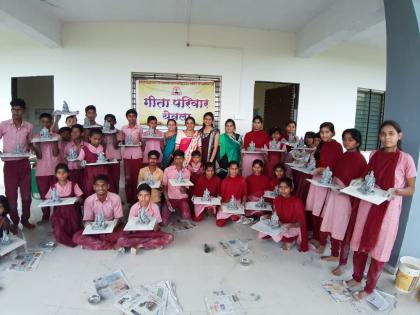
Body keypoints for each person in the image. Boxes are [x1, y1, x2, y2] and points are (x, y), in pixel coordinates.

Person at [347, 121, 416, 300]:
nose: (387, 137)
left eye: (391, 133)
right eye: (383, 133)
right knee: (359, 245)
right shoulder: (374, 154)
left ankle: (369, 288)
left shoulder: (406, 159)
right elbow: (368, 176)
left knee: (379, 251)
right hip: (368, 205)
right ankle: (356, 277)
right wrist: (358, 180)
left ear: (399, 135)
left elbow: (411, 189)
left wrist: (396, 191)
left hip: (388, 210)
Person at [319, 129, 367, 262]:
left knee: (340, 227)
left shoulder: (360, 159)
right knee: (332, 223)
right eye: (345, 139)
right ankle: (334, 253)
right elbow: (335, 171)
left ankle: (341, 258)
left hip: (346, 199)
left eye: (350, 140)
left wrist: (346, 189)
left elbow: (360, 181)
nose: (346, 142)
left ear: (357, 142)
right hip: (335, 194)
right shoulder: (343, 155)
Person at [306, 122, 343, 250]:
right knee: (314, 209)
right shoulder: (320, 144)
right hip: (317, 179)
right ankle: (316, 236)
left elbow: (335, 165)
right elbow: (318, 161)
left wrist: (322, 169)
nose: (324, 134)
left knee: (322, 211)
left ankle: (322, 241)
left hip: (327, 181)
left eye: (327, 132)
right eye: (322, 132)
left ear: (333, 133)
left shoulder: (337, 146)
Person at [0, 99, 35, 229]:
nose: (16, 112)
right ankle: (14, 221)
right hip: (9, 166)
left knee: (26, 197)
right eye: (13, 109)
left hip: (24, 164)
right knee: (12, 199)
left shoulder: (29, 126)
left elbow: (31, 142)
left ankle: (25, 219)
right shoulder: (3, 125)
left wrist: (32, 148)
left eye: (18, 109)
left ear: (23, 111)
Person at [116, 183, 174, 252]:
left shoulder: (155, 207)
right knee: (120, 240)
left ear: (150, 196)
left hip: (151, 233)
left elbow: (158, 226)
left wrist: (155, 226)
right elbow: (130, 226)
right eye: (141, 195)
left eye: (146, 195)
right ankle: (151, 243)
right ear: (138, 196)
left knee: (170, 237)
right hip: (138, 234)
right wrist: (133, 228)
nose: (143, 198)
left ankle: (140, 245)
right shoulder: (134, 208)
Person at [72, 175, 124, 250]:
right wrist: (91, 228)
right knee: (76, 237)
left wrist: (111, 228)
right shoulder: (88, 200)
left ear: (108, 186)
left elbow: (118, 218)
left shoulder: (116, 198)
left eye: (103, 185)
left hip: (111, 226)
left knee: (125, 232)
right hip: (95, 227)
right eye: (98, 186)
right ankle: (109, 244)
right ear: (94, 187)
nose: (100, 188)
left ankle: (96, 244)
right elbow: (87, 220)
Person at [257, 177, 308, 251]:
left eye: (286, 187)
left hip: (293, 226)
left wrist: (290, 225)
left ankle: (291, 240)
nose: (283, 190)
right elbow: (275, 216)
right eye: (281, 187)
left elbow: (301, 223)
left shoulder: (297, 202)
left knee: (284, 234)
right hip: (280, 224)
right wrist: (267, 216)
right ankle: (286, 238)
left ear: (291, 188)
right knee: (263, 234)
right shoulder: (277, 199)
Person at [45, 164, 83, 247]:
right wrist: (52, 200)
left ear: (68, 173)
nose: (62, 175)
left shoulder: (73, 185)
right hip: (59, 215)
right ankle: (71, 242)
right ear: (56, 174)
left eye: (64, 172)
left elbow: (81, 199)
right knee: (58, 232)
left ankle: (75, 237)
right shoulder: (53, 187)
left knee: (76, 232)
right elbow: (47, 199)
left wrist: (77, 199)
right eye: (59, 173)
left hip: (73, 214)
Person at [33, 113, 60, 223]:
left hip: (55, 171)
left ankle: (57, 216)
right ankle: (45, 216)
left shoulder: (56, 136)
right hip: (42, 171)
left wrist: (53, 140)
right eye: (43, 121)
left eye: (48, 121)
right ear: (40, 122)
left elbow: (55, 153)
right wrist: (38, 145)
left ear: (51, 122)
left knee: (58, 194)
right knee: (44, 195)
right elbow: (39, 156)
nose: (45, 124)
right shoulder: (36, 137)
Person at [77, 128, 113, 196]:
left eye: (99, 139)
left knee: (104, 189)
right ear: (90, 138)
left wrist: (111, 160)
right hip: (90, 174)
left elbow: (108, 159)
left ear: (102, 138)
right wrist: (82, 163)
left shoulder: (104, 148)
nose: (97, 141)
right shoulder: (85, 149)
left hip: (103, 172)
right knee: (91, 189)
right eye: (95, 139)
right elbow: (79, 162)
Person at [161, 150, 192, 225]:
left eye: (180, 158)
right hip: (170, 199)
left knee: (186, 217)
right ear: (173, 159)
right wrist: (167, 201)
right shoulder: (167, 170)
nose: (178, 161)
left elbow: (184, 191)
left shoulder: (187, 172)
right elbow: (164, 186)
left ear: (184, 159)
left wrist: (182, 184)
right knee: (164, 223)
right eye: (176, 158)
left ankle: (181, 210)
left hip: (182, 199)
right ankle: (170, 209)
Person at [121, 109, 143, 205]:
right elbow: (121, 141)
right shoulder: (123, 128)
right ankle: (129, 201)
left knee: (137, 178)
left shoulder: (139, 128)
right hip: (127, 156)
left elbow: (143, 141)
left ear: (136, 117)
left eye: (133, 116)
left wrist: (139, 143)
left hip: (137, 155)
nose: (131, 118)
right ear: (127, 117)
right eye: (129, 116)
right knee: (128, 179)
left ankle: (137, 199)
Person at [216, 161, 247, 227]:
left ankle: (233, 215)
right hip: (225, 203)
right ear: (228, 169)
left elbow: (244, 194)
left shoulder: (242, 180)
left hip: (236, 203)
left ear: (238, 169)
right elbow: (221, 195)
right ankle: (226, 215)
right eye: (232, 169)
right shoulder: (225, 181)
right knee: (219, 223)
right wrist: (221, 205)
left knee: (234, 218)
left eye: (236, 169)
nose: (234, 171)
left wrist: (243, 203)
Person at [103, 114, 122, 194]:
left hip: (115, 158)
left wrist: (113, 132)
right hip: (104, 158)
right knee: (105, 179)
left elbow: (115, 146)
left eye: (111, 120)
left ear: (115, 122)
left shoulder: (119, 132)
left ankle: (116, 196)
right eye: (107, 121)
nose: (109, 122)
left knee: (115, 178)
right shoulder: (102, 132)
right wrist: (104, 133)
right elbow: (102, 145)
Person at [64, 124, 85, 191]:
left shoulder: (86, 145)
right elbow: (65, 158)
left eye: (77, 132)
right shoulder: (68, 145)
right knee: (74, 190)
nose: (74, 133)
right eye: (73, 132)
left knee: (84, 189)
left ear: (82, 133)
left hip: (84, 171)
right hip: (72, 171)